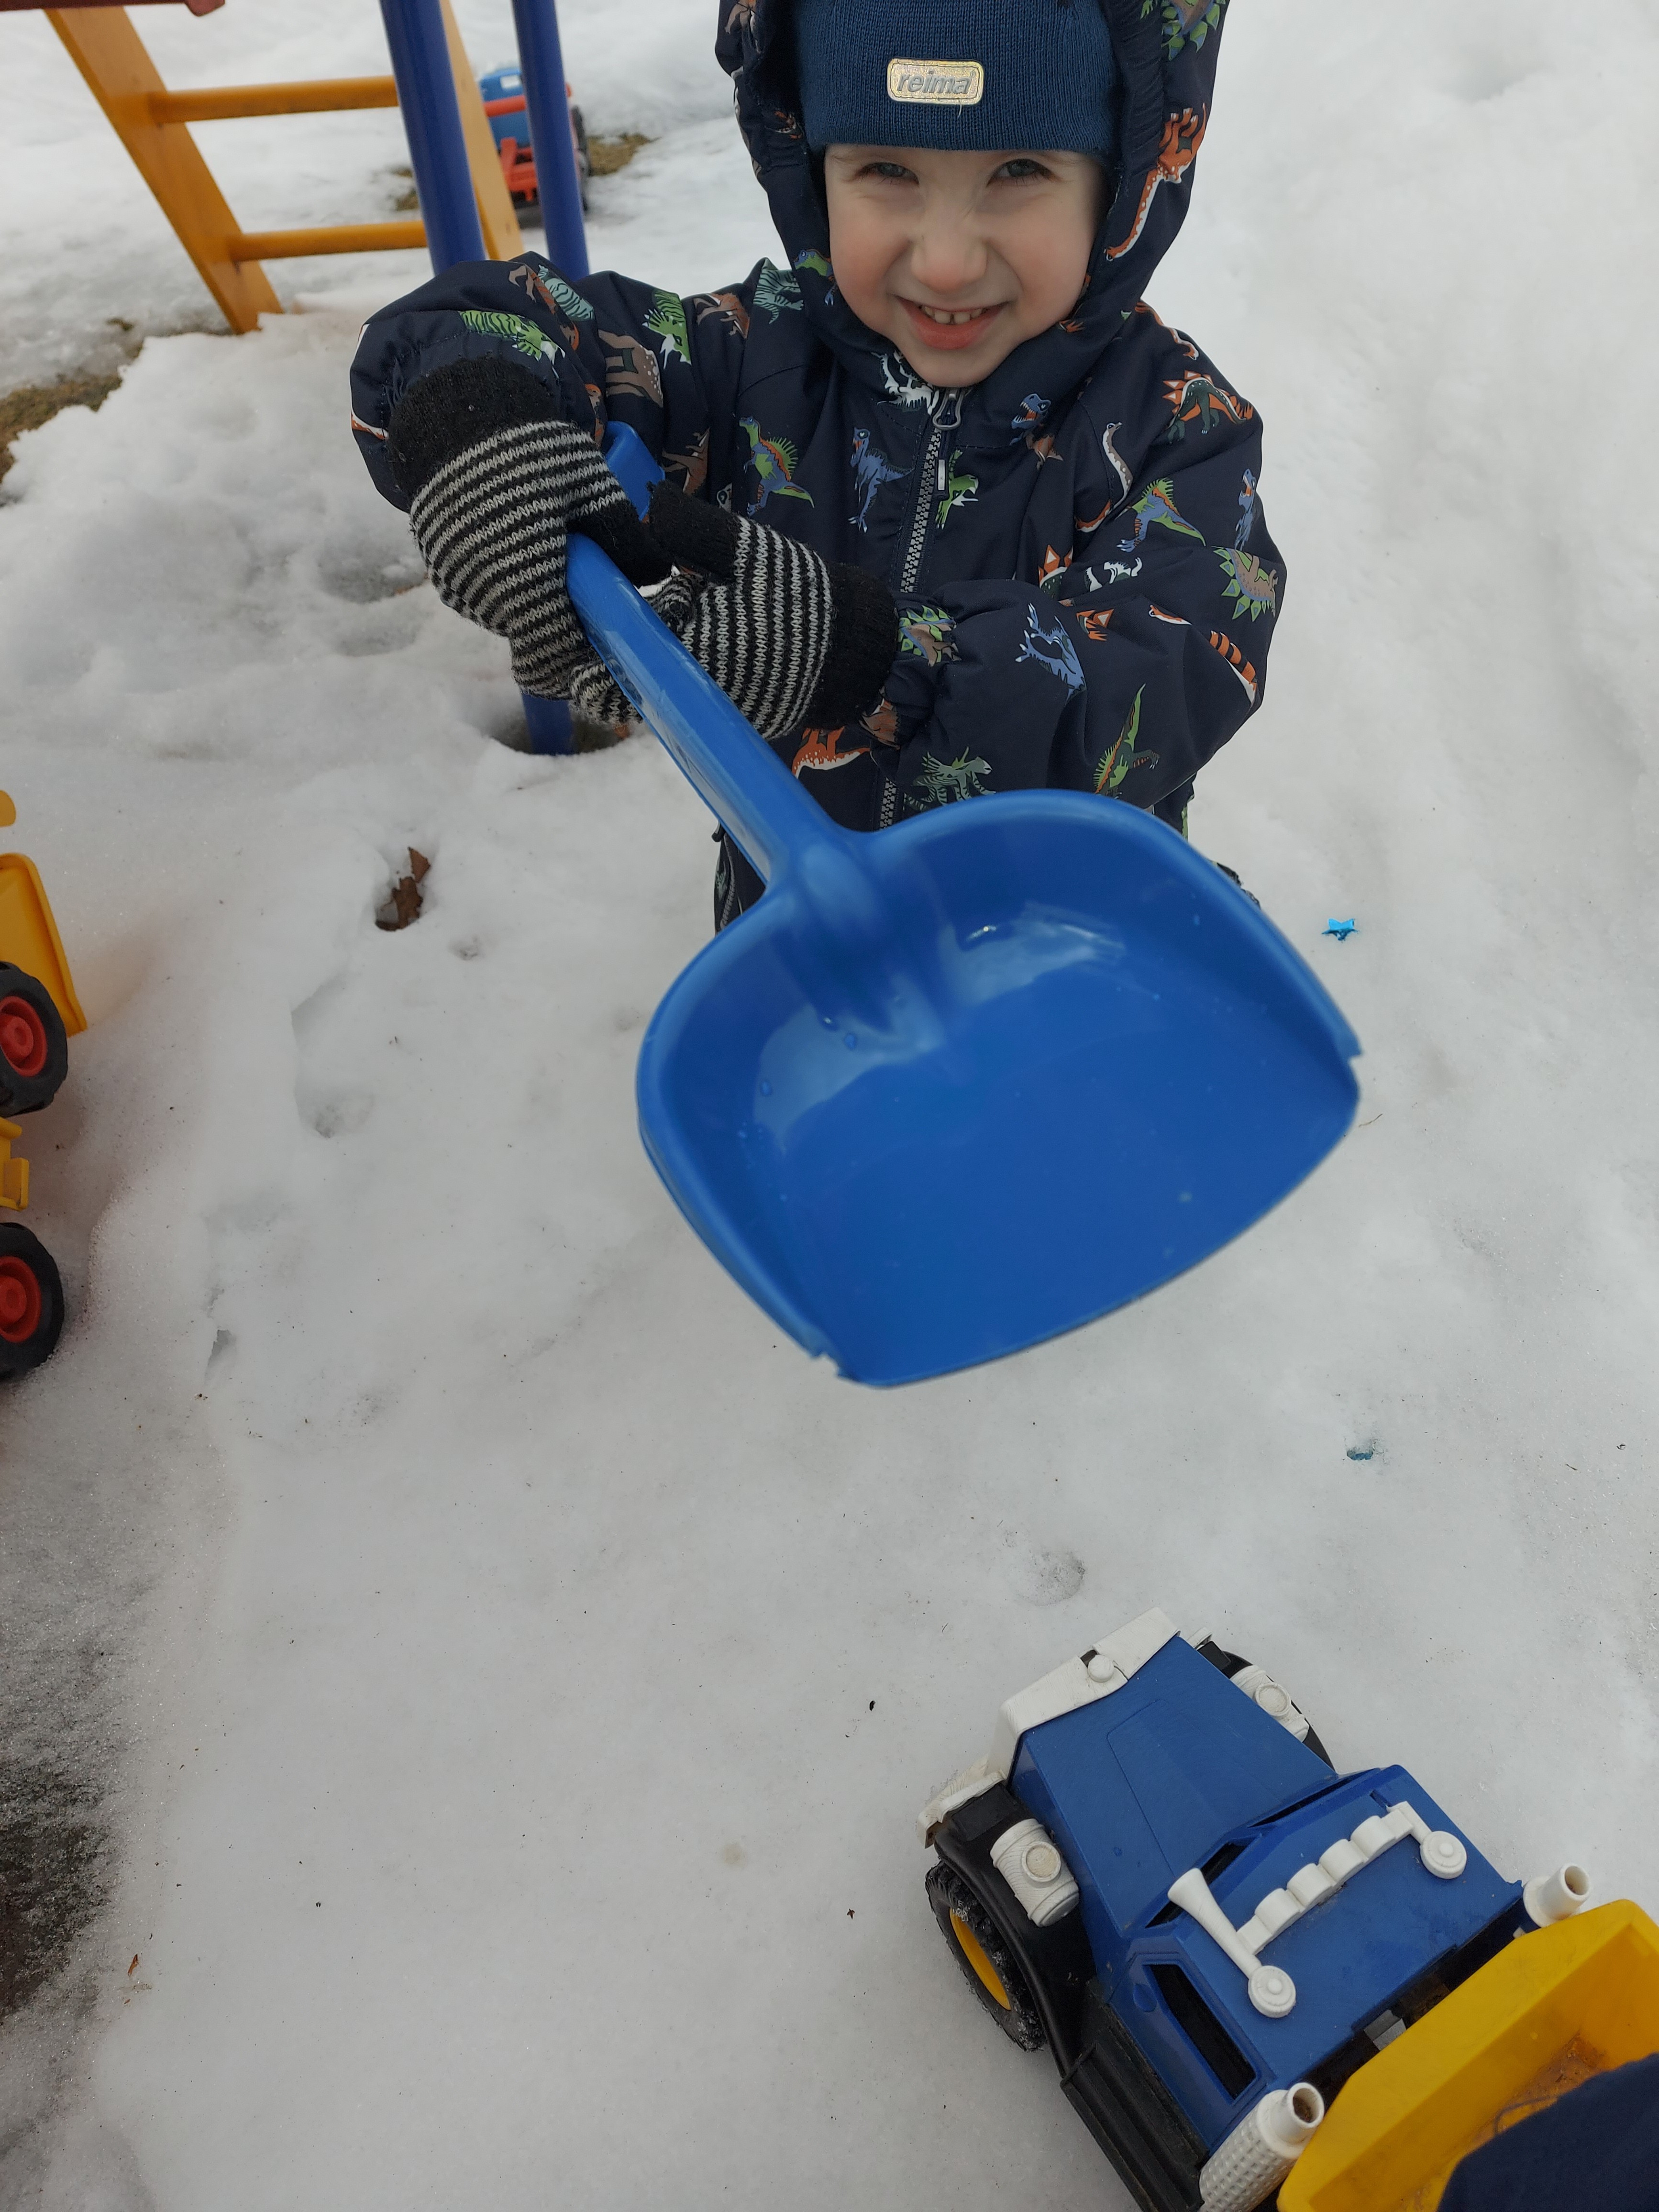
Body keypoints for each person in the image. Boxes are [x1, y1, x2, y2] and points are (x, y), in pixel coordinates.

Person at [350, 0, 1282, 928]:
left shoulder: (1177, 426)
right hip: (797, 946)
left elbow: (1163, 682)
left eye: (1019, 170)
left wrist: (871, 659)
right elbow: (508, 333)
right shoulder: (754, 360)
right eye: (887, 169)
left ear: (1120, 181)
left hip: (1074, 958)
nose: (948, 260)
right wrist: (480, 415)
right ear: (810, 167)